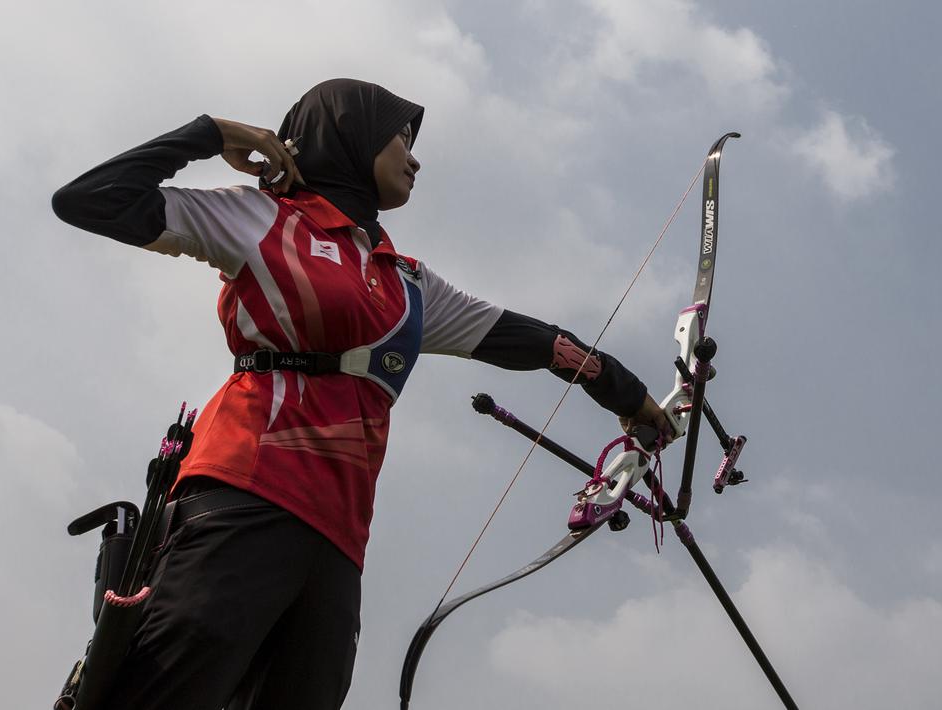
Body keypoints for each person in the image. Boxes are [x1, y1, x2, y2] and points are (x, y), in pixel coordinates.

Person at [51, 78, 671, 710]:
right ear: (348, 137)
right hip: (245, 493)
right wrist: (214, 133)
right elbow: (88, 200)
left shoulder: (405, 281)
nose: (415, 156)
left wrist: (632, 396)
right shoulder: (259, 217)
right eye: (399, 137)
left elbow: (530, 340)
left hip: (340, 537)